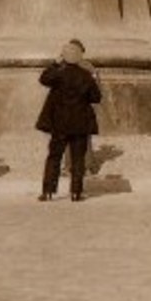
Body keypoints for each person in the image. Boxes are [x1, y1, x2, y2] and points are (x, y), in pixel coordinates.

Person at [35, 39, 102, 203]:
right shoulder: (86, 76)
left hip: (59, 124)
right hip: (80, 124)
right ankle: (76, 193)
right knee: (78, 158)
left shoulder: (58, 74)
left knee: (54, 156)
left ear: (64, 56)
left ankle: (48, 191)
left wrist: (55, 64)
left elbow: (43, 78)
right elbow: (96, 98)